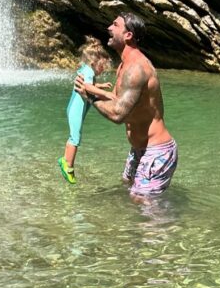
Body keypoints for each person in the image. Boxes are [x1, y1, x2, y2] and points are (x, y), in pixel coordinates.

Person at [74, 12, 178, 198]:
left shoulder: (136, 69)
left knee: (144, 204)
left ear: (128, 35)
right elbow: (115, 97)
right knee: (127, 188)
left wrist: (88, 97)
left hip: (156, 150)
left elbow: (118, 114)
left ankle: (168, 226)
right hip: (139, 149)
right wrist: (90, 88)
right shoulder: (123, 65)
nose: (109, 28)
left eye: (115, 25)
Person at [57, 39, 112, 184]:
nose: (103, 70)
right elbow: (87, 87)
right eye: (103, 67)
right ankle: (67, 165)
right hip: (75, 110)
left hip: (75, 109)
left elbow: (90, 84)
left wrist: (100, 85)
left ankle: (66, 162)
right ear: (95, 63)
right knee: (75, 138)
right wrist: (105, 94)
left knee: (75, 136)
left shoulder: (88, 72)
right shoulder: (88, 71)